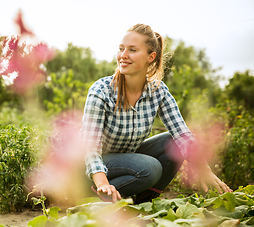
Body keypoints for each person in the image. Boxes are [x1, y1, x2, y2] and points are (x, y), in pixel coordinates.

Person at [80, 23, 232, 203]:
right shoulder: (101, 91)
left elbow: (182, 133)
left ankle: (145, 200)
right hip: (92, 169)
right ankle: (96, 196)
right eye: (121, 49)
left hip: (128, 161)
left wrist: (204, 170)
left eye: (132, 50)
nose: (123, 55)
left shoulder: (158, 91)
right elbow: (89, 148)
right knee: (150, 168)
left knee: (172, 141)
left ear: (150, 57)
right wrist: (102, 182)